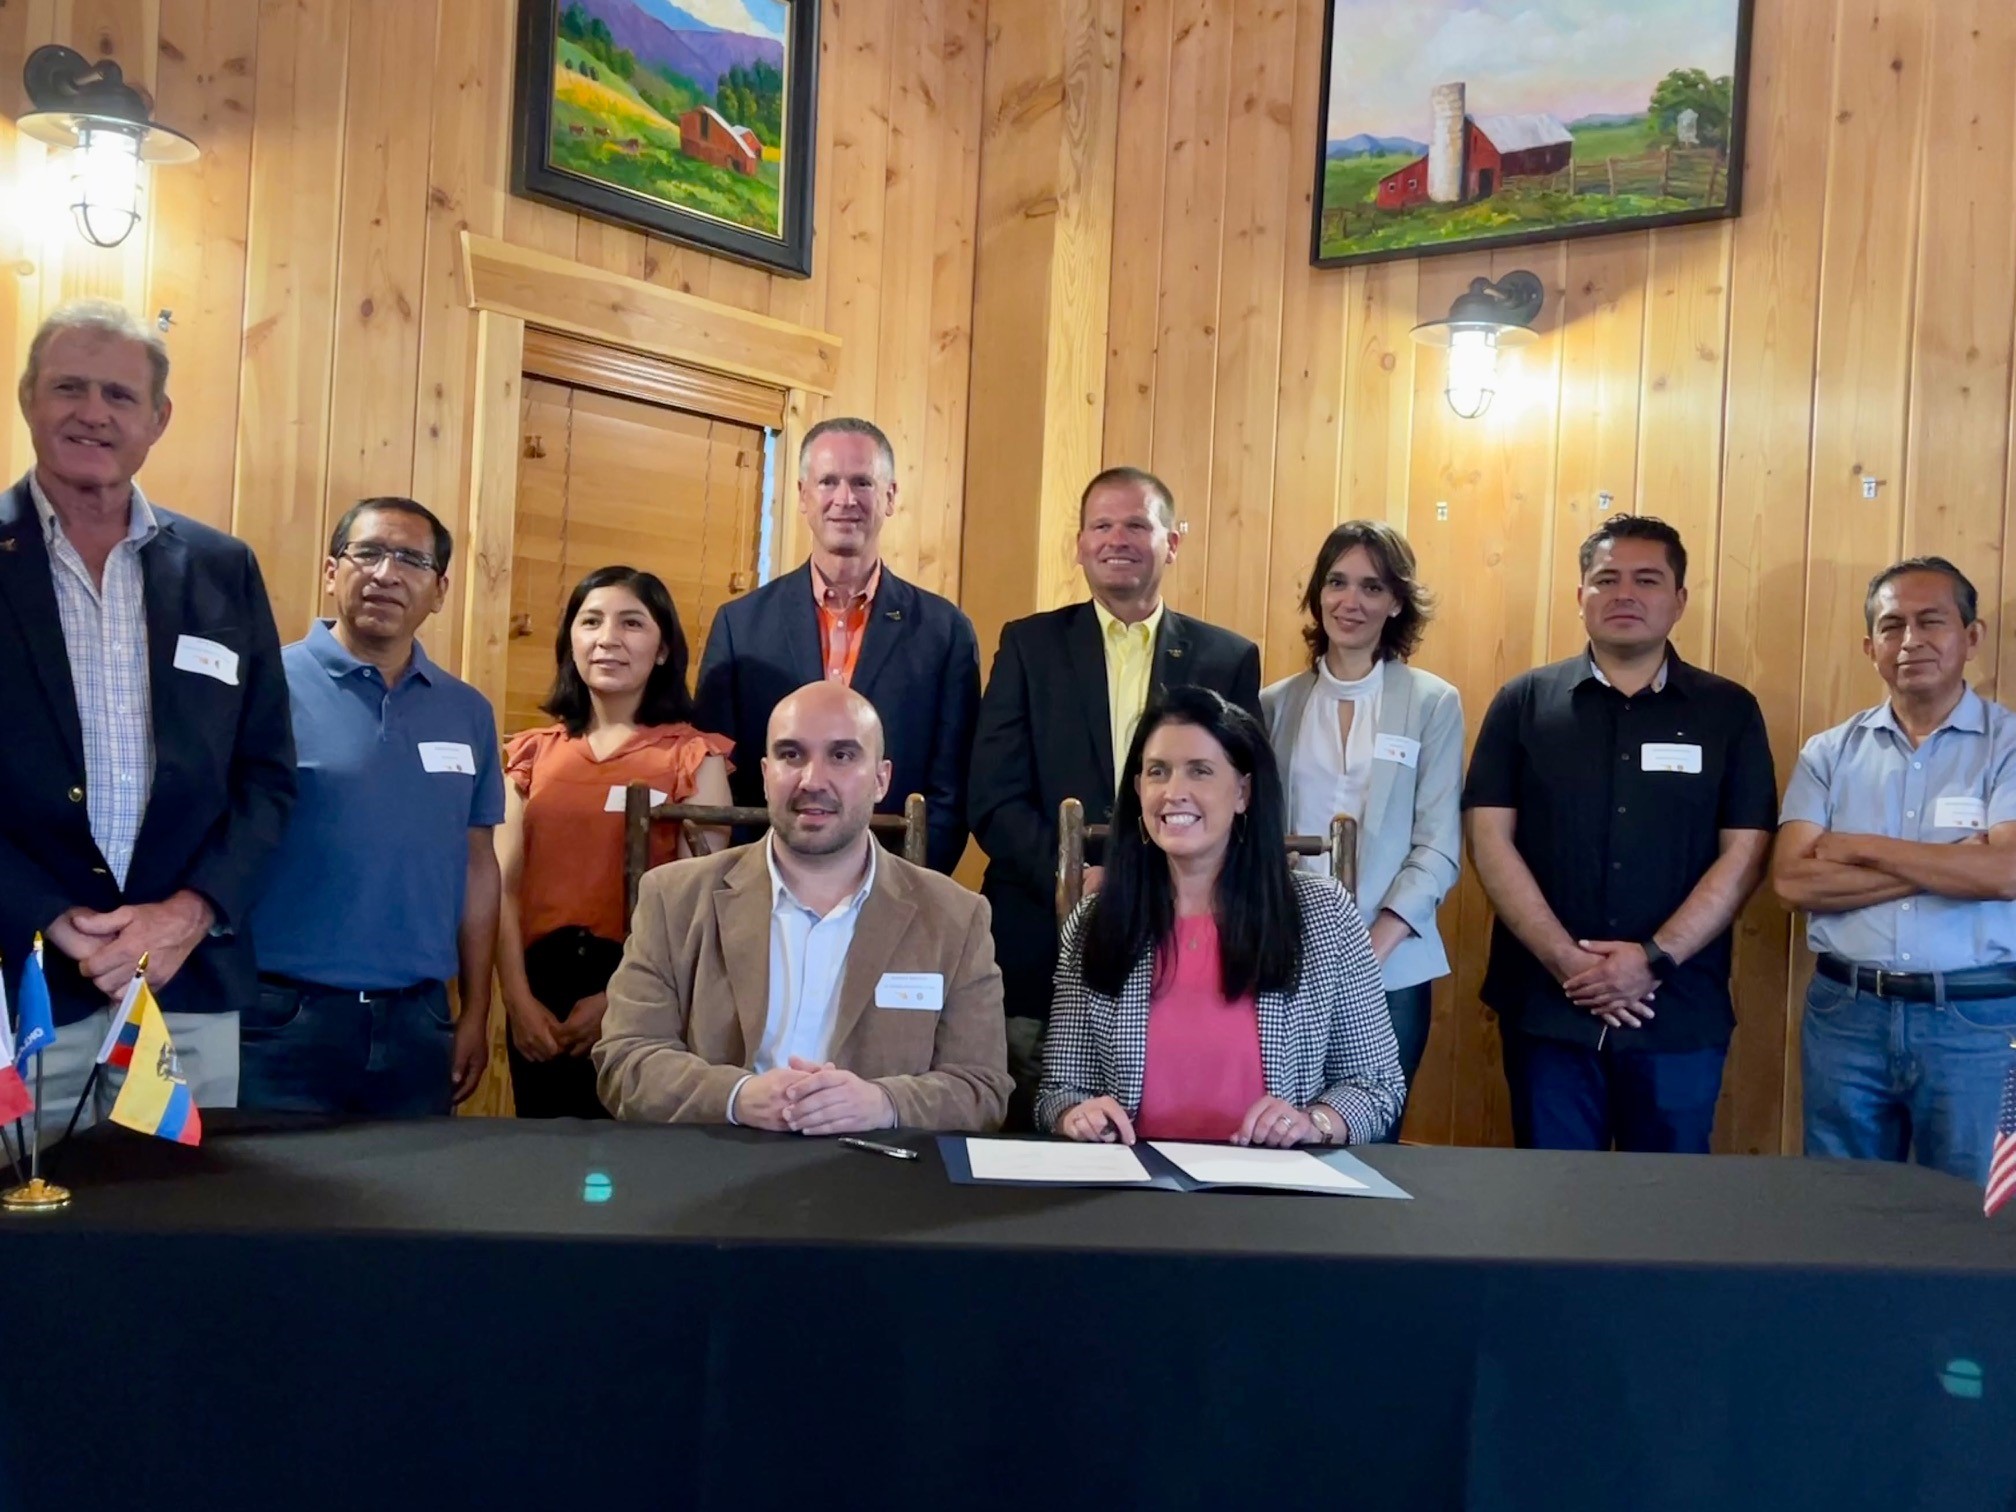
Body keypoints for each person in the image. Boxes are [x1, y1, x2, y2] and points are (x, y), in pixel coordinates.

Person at [0, 301, 294, 1126]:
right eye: (68, 387)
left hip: (186, 982)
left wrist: (185, 916)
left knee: (180, 1239)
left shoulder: (222, 568)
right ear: (28, 398)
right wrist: (52, 919)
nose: (93, 412)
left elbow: (267, 779)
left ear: (158, 419)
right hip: (15, 989)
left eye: (120, 396)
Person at [1462, 514, 1776, 1154]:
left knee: (1668, 1217)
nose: (1624, 594)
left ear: (1679, 600)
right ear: (1580, 598)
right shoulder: (1523, 702)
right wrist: (1568, 962)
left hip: (1677, 1009)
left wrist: (1654, 958)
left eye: (1647, 579)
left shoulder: (1729, 711)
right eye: (1606, 579)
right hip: (1549, 1006)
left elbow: (1744, 853)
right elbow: (1489, 840)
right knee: (1552, 1210)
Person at [969, 466, 1263, 1123]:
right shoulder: (1028, 644)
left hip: (1181, 941)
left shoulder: (1228, 658)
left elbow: (1240, 795)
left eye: (1137, 524)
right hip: (1036, 940)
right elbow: (993, 793)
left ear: (1173, 542)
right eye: (1101, 525)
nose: (1117, 539)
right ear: (1079, 543)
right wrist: (1073, 871)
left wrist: (1147, 880)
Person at [595, 681, 1010, 1131]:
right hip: (718, 1166)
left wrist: (883, 1103)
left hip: (878, 1180)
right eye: (792, 755)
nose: (813, 781)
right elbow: (625, 1060)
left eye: (843, 756)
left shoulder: (956, 918)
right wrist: (737, 1097)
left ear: (881, 779)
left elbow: (981, 1088)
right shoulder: (673, 899)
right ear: (766, 772)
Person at [1038, 687, 1403, 1146]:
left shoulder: (1324, 915)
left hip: (1272, 1191)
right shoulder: (1096, 919)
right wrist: (1076, 1114)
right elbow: (1059, 1090)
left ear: (1243, 792)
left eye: (1200, 772)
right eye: (1157, 772)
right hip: (1131, 1186)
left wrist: (1317, 1122)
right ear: (1137, 791)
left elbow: (1376, 1083)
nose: (1174, 793)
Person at [244, 499, 502, 1117]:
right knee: (262, 1206)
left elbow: (478, 865)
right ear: (332, 572)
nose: (386, 574)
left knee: (412, 1208)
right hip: (280, 1021)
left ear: (440, 591)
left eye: (412, 560)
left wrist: (476, 1013)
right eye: (368, 553)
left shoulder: (467, 711)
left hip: (420, 1023)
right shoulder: (265, 689)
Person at [1773, 557, 2016, 1184]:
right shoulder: (1828, 752)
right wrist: (1957, 860)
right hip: (1844, 1016)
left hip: (1976, 1019)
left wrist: (1857, 845)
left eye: (1931, 621)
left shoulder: (2009, 745)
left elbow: (2007, 873)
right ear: (1870, 646)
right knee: (1840, 1210)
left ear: (1972, 636)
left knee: (1973, 1215)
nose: (1911, 641)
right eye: (1892, 626)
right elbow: (1794, 883)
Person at [694, 417, 979, 873]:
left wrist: (909, 883)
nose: (845, 500)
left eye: (862, 482)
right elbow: (718, 777)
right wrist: (752, 878)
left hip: (896, 888)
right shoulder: (740, 625)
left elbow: (952, 789)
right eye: (829, 481)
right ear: (804, 494)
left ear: (889, 497)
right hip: (763, 884)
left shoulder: (944, 632)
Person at [497, 566, 732, 1119]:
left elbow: (703, 903)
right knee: (543, 1161)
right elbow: (499, 887)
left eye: (632, 623)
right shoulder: (529, 755)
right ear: (570, 642)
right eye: (591, 622)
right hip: (538, 990)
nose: (608, 639)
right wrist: (516, 1001)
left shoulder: (695, 757)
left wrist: (618, 1000)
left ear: (662, 649)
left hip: (645, 985)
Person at [1262, 521, 1461, 1138]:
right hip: (1286, 956)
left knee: (1373, 1136)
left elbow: (1437, 843)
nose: (1351, 602)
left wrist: (1369, 946)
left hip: (1391, 964)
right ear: (1318, 595)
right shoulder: (1273, 705)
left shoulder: (1433, 702)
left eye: (1372, 587)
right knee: (1283, 1129)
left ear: (1396, 601)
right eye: (1337, 583)